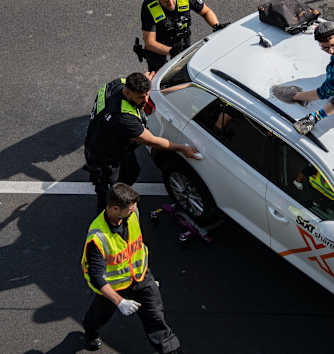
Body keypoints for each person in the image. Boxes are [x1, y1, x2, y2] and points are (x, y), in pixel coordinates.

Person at [81, 183, 183, 353]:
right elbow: (96, 276)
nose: (134, 210)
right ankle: (91, 332)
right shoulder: (98, 238)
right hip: (114, 287)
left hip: (141, 278)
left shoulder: (132, 213)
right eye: (130, 208)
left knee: (155, 317)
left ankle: (171, 350)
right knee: (98, 317)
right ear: (115, 209)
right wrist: (119, 301)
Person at [84, 72, 200, 213]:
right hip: (103, 157)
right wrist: (182, 148)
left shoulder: (118, 84)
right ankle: (109, 220)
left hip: (116, 144)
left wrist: (148, 82)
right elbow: (152, 141)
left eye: (146, 94)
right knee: (109, 194)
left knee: (132, 171)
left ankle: (122, 198)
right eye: (140, 97)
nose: (146, 100)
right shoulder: (122, 118)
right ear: (127, 92)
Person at [141, 0, 228, 72]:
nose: (170, 4)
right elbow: (150, 42)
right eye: (166, 1)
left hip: (182, 38)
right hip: (159, 43)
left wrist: (216, 25)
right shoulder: (149, 6)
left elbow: (206, 11)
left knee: (185, 69)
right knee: (157, 74)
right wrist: (171, 51)